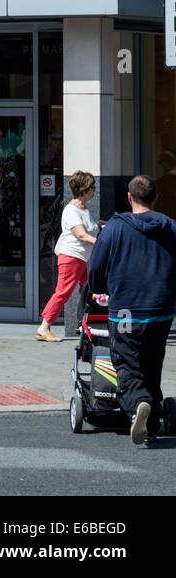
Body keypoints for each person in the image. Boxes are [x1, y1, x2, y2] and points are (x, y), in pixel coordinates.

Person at [87, 174, 176, 444]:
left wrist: (100, 288)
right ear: (156, 198)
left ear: (129, 197)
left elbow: (95, 268)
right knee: (152, 361)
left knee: (127, 363)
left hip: (126, 309)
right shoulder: (170, 227)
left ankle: (139, 404)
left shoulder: (115, 228)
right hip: (161, 309)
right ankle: (151, 413)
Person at [37, 170, 98, 341]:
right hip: (72, 258)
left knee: (95, 290)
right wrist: (102, 243)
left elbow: (89, 228)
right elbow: (81, 235)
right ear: (84, 189)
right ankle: (44, 327)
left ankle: (94, 324)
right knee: (63, 292)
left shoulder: (83, 208)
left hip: (84, 259)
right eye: (92, 187)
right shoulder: (71, 210)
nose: (95, 190)